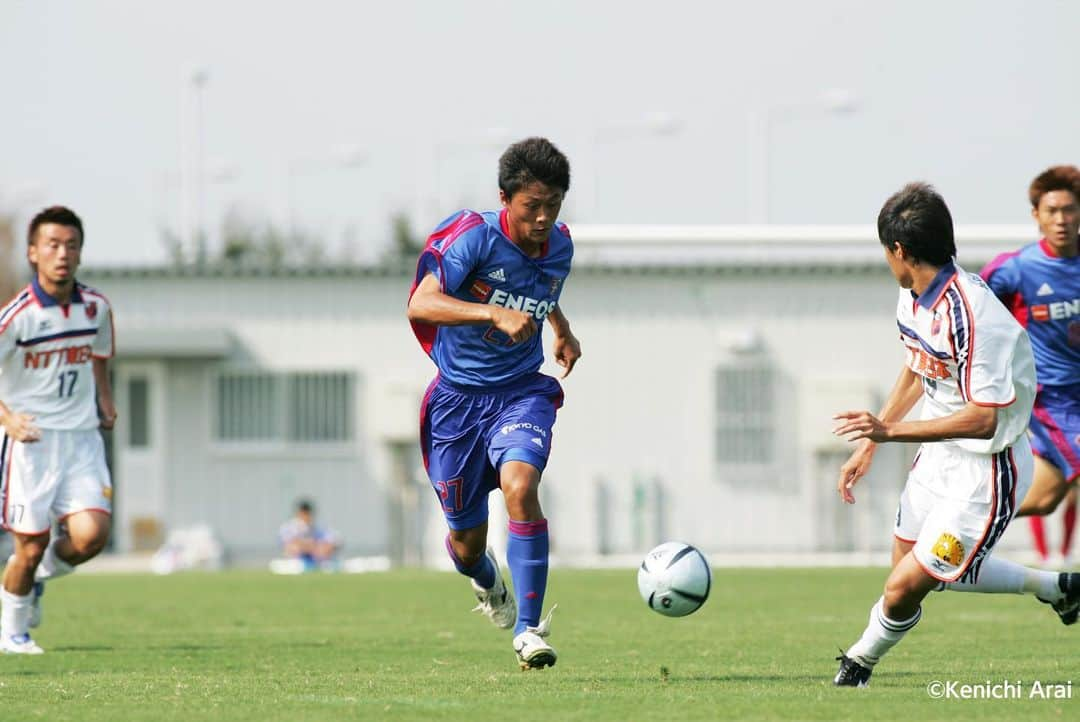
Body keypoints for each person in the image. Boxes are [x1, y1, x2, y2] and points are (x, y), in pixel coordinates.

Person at [831, 183, 1079, 687]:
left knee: (903, 589)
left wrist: (891, 430)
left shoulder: (975, 316)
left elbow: (985, 417)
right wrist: (871, 442)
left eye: (886, 252)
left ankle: (857, 664)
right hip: (939, 459)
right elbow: (916, 367)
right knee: (914, 566)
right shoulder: (912, 298)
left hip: (987, 471)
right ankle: (1058, 588)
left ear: (899, 251)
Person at [407, 137, 581, 670]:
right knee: (465, 544)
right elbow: (422, 301)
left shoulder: (561, 246)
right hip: (457, 404)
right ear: (506, 198)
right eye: (533, 206)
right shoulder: (473, 237)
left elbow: (542, 290)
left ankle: (530, 631)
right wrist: (490, 314)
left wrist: (561, 327)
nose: (544, 217)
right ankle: (489, 584)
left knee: (521, 488)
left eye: (554, 204)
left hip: (521, 392)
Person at [0, 206, 116, 654]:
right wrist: (8, 418)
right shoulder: (17, 317)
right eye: (52, 244)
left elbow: (100, 354)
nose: (62, 254)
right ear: (33, 253)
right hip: (31, 442)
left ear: (80, 253)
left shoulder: (96, 307)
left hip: (82, 439)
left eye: (71, 245)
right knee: (28, 547)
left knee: (91, 538)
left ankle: (36, 579)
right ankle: (13, 633)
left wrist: (104, 397)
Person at [979, 165, 1080, 568]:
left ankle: (958, 526)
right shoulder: (1015, 270)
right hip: (1048, 400)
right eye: (1052, 210)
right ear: (1036, 215)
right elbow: (974, 317)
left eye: (1070, 210)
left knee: (1041, 499)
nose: (1061, 219)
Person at [278, 499, 341, 571]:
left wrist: (322, 547)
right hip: (296, 561)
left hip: (316, 560)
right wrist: (310, 546)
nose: (306, 516)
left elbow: (335, 540)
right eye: (303, 513)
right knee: (293, 548)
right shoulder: (288, 527)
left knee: (325, 550)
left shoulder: (318, 527)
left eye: (307, 513)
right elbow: (289, 545)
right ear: (298, 513)